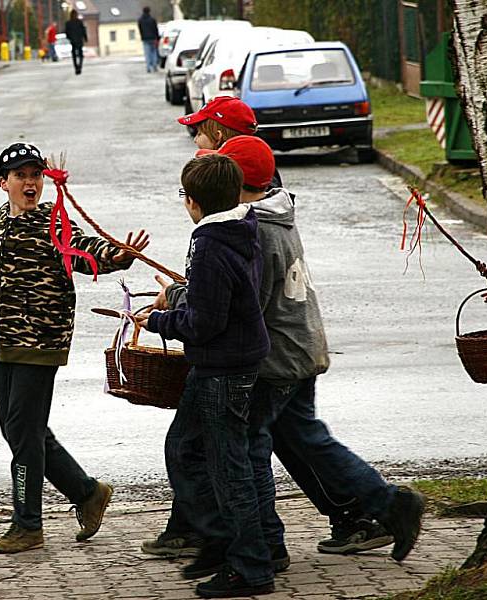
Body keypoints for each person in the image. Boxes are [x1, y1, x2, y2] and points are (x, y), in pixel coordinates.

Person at [148, 136, 426, 574]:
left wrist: (180, 298)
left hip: (275, 360)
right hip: (299, 348)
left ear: (237, 183)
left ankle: (267, 545)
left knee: (249, 451)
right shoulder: (273, 213)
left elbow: (238, 309)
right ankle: (388, 505)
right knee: (307, 439)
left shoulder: (256, 230)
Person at [0, 142, 150, 554]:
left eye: (35, 175)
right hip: (4, 342)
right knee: (20, 430)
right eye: (21, 176)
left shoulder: (55, 224)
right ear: (4, 183)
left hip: (41, 341)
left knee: (23, 433)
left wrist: (118, 255)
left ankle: (27, 525)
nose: (30, 182)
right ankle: (87, 492)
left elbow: (88, 252)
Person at [136, 153, 275, 598]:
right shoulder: (235, 230)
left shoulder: (213, 244)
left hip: (224, 369)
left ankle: (250, 566)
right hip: (219, 364)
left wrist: (157, 322)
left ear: (194, 203)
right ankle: (216, 539)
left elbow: (205, 321)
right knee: (183, 448)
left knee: (229, 468)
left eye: (184, 197)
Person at [64, 9, 87, 75]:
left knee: (74, 55)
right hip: (79, 40)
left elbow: (66, 32)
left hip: (73, 41)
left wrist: (69, 38)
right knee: (80, 54)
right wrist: (85, 38)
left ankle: (76, 67)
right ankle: (79, 66)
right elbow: (83, 30)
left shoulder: (68, 23)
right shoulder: (79, 22)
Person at [138, 6, 160, 73]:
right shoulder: (152, 20)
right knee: (154, 52)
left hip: (145, 39)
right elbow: (156, 29)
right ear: (149, 11)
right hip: (153, 38)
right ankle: (154, 66)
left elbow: (140, 30)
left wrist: (142, 37)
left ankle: (148, 67)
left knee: (147, 53)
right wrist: (157, 37)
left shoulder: (140, 20)